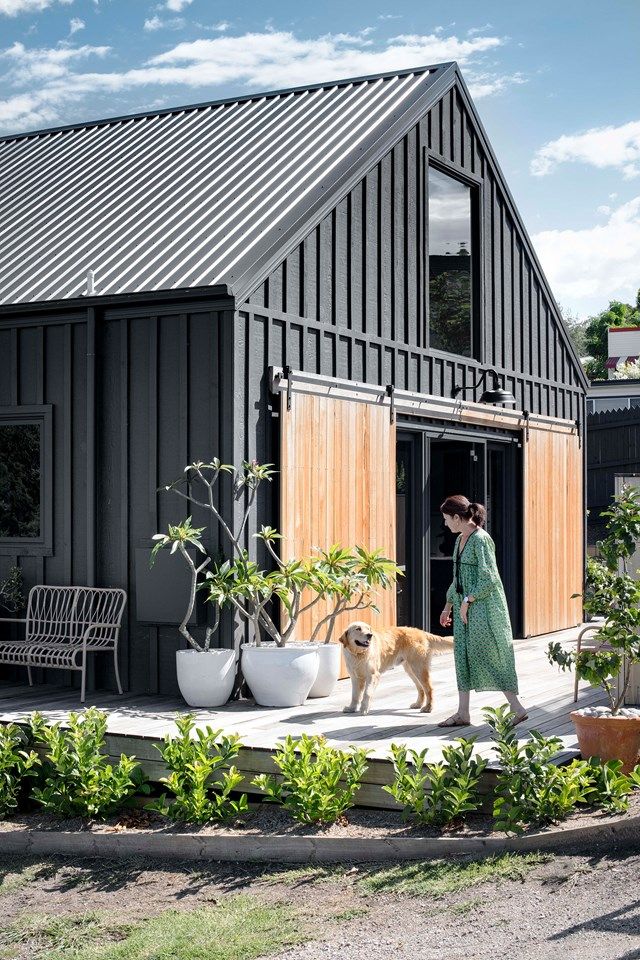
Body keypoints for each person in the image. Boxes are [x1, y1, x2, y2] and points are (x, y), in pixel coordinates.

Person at [437, 494, 527, 727]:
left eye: (447, 519)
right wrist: (448, 605)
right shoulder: (459, 540)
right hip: (463, 606)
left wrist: (468, 600)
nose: (446, 524)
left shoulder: (481, 539)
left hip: (484, 607)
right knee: (462, 655)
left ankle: (517, 708)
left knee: (489, 655)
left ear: (458, 517)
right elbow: (457, 578)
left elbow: (489, 577)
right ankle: (463, 713)